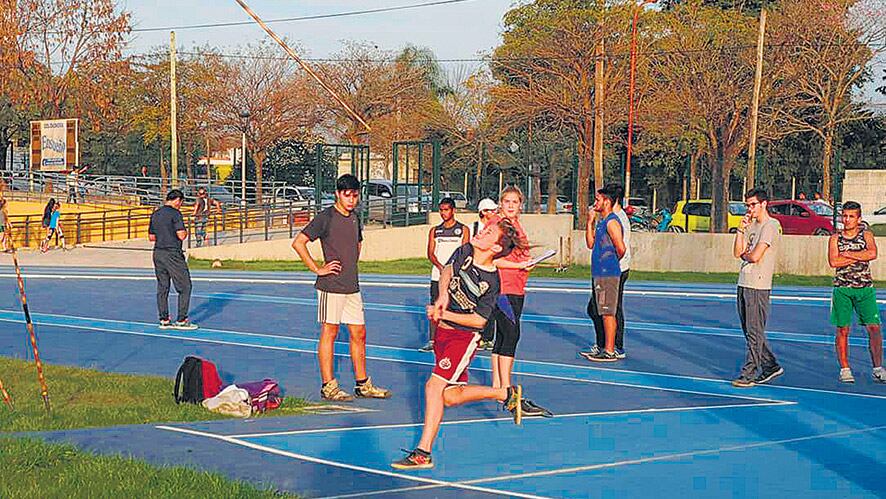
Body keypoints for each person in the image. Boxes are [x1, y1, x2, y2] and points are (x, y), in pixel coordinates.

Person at [391, 216, 551, 470]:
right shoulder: (465, 250)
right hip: (444, 334)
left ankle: (423, 453)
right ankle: (505, 393)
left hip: (462, 338)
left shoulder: (491, 282)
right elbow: (448, 269)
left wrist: (444, 314)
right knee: (451, 397)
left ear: (496, 248)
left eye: (489, 234)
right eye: (485, 229)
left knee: (434, 387)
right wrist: (443, 295)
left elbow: (478, 321)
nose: (482, 233)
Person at [292, 174, 391, 402]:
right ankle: (329, 386)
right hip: (331, 286)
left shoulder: (355, 217)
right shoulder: (325, 217)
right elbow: (298, 242)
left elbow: (357, 244)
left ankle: (363, 384)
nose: (351, 200)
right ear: (338, 194)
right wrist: (318, 269)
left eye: (355, 196)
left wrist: (351, 264)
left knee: (359, 333)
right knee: (331, 332)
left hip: (352, 286)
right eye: (347, 195)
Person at [828, 201, 884, 384]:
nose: (847, 219)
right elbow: (834, 262)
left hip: (865, 289)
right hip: (843, 289)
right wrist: (859, 254)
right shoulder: (835, 238)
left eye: (851, 216)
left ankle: (877, 368)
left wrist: (847, 255)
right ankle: (845, 369)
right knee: (843, 329)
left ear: (858, 218)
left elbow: (872, 253)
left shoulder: (866, 235)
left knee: (874, 328)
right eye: (844, 216)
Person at [731, 188, 783, 387]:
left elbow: (754, 256)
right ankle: (770, 365)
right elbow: (737, 252)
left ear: (763, 204)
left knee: (754, 332)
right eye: (747, 205)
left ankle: (749, 372)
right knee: (749, 330)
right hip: (744, 281)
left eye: (753, 204)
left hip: (758, 285)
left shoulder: (770, 226)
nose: (750, 209)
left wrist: (746, 253)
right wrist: (740, 230)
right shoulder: (750, 226)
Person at [492, 186, 535, 390]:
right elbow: (491, 259)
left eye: (514, 202)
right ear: (501, 203)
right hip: (503, 288)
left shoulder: (516, 225)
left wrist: (528, 262)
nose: (510, 205)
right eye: (507, 201)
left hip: (517, 287)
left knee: (503, 334)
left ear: (520, 205)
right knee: (510, 334)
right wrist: (518, 265)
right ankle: (506, 387)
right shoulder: (499, 226)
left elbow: (520, 255)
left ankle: (499, 384)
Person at [585, 184, 631, 359]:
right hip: (599, 273)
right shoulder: (601, 221)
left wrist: (610, 262)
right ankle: (605, 346)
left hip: (608, 273)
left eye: (597, 199)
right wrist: (589, 222)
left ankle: (611, 349)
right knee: (599, 309)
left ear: (607, 201)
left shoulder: (612, 222)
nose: (594, 203)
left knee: (608, 311)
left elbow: (621, 248)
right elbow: (590, 244)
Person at [420, 197, 469, 352]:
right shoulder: (435, 230)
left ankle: (455, 339)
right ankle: (432, 340)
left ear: (453, 210)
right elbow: (430, 253)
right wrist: (441, 267)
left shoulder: (463, 229)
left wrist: (453, 270)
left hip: (456, 276)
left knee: (456, 307)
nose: (443, 213)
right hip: (437, 276)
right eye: (441, 210)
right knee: (436, 306)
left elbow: (465, 252)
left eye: (446, 209)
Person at [149, 189, 197, 330]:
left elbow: (151, 237)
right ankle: (182, 320)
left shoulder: (156, 213)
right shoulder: (175, 213)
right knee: (185, 286)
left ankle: (164, 319)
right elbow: (181, 235)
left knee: (163, 287)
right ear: (178, 200)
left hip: (158, 252)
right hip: (172, 253)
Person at [472, 198, 498, 351]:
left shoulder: (496, 227)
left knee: (490, 306)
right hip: (475, 273)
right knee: (475, 305)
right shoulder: (474, 227)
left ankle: (488, 337)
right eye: (491, 210)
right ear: (483, 212)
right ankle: (476, 336)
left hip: (490, 272)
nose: (494, 213)